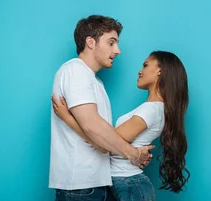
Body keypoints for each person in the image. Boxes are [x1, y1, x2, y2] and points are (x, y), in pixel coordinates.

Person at [52, 51, 190, 201]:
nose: (140, 71)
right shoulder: (155, 109)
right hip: (124, 183)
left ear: (160, 71)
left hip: (129, 183)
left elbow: (104, 143)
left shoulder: (150, 110)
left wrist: (68, 119)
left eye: (145, 65)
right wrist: (134, 151)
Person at [50, 15, 154, 201]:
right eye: (111, 43)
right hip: (81, 187)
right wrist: (133, 154)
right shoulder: (76, 70)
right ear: (90, 42)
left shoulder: (94, 80)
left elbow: (99, 139)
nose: (118, 50)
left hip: (97, 184)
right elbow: (92, 126)